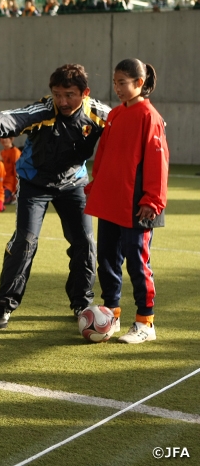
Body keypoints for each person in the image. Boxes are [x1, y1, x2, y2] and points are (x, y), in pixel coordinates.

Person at [0, 64, 110, 329]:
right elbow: (13, 118)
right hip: (34, 184)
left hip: (73, 184)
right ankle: (4, 305)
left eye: (69, 95)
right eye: (57, 94)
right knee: (25, 241)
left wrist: (150, 124)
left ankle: (81, 303)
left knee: (85, 243)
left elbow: (130, 123)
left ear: (84, 93)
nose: (62, 101)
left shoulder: (99, 114)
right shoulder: (44, 110)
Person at [84, 59, 168, 344]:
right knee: (107, 258)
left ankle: (146, 322)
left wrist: (152, 200)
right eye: (115, 82)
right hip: (111, 199)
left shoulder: (150, 116)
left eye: (122, 82)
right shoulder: (116, 114)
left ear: (139, 83)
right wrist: (96, 184)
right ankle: (111, 315)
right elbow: (105, 154)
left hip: (138, 203)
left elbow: (158, 162)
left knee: (137, 260)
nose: (117, 88)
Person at [0, 137, 21, 204]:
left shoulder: (15, 152)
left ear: (12, 139)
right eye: (2, 138)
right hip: (0, 183)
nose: (4, 140)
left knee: (4, 198)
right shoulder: (1, 153)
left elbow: (17, 172)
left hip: (10, 184)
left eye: (6, 138)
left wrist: (16, 190)